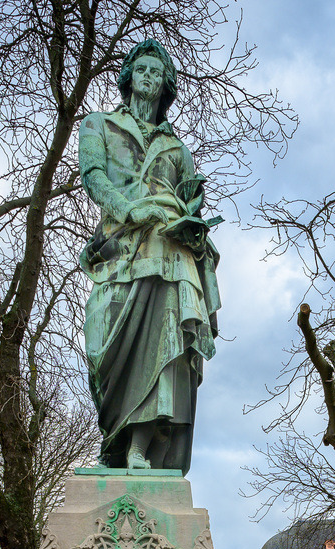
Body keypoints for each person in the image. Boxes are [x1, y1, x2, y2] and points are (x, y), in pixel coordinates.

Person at [78, 40, 220, 473]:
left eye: (157, 72)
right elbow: (93, 176)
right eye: (141, 69)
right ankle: (115, 438)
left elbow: (191, 201)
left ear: (166, 85)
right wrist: (129, 209)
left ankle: (139, 447)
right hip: (118, 249)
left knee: (166, 340)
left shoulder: (178, 149)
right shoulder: (99, 124)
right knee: (101, 342)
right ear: (128, 76)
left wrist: (192, 222)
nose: (148, 77)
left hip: (168, 251)